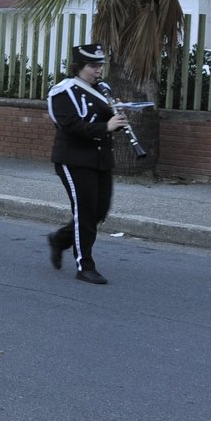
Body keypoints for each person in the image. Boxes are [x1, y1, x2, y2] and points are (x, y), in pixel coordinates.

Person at [46, 44, 134, 285]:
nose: (98, 71)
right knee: (84, 212)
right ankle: (85, 265)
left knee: (99, 210)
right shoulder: (62, 92)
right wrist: (106, 126)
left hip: (100, 158)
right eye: (93, 66)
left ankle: (60, 239)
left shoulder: (103, 89)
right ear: (79, 67)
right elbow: (70, 125)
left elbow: (104, 118)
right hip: (73, 159)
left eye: (100, 66)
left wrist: (118, 115)